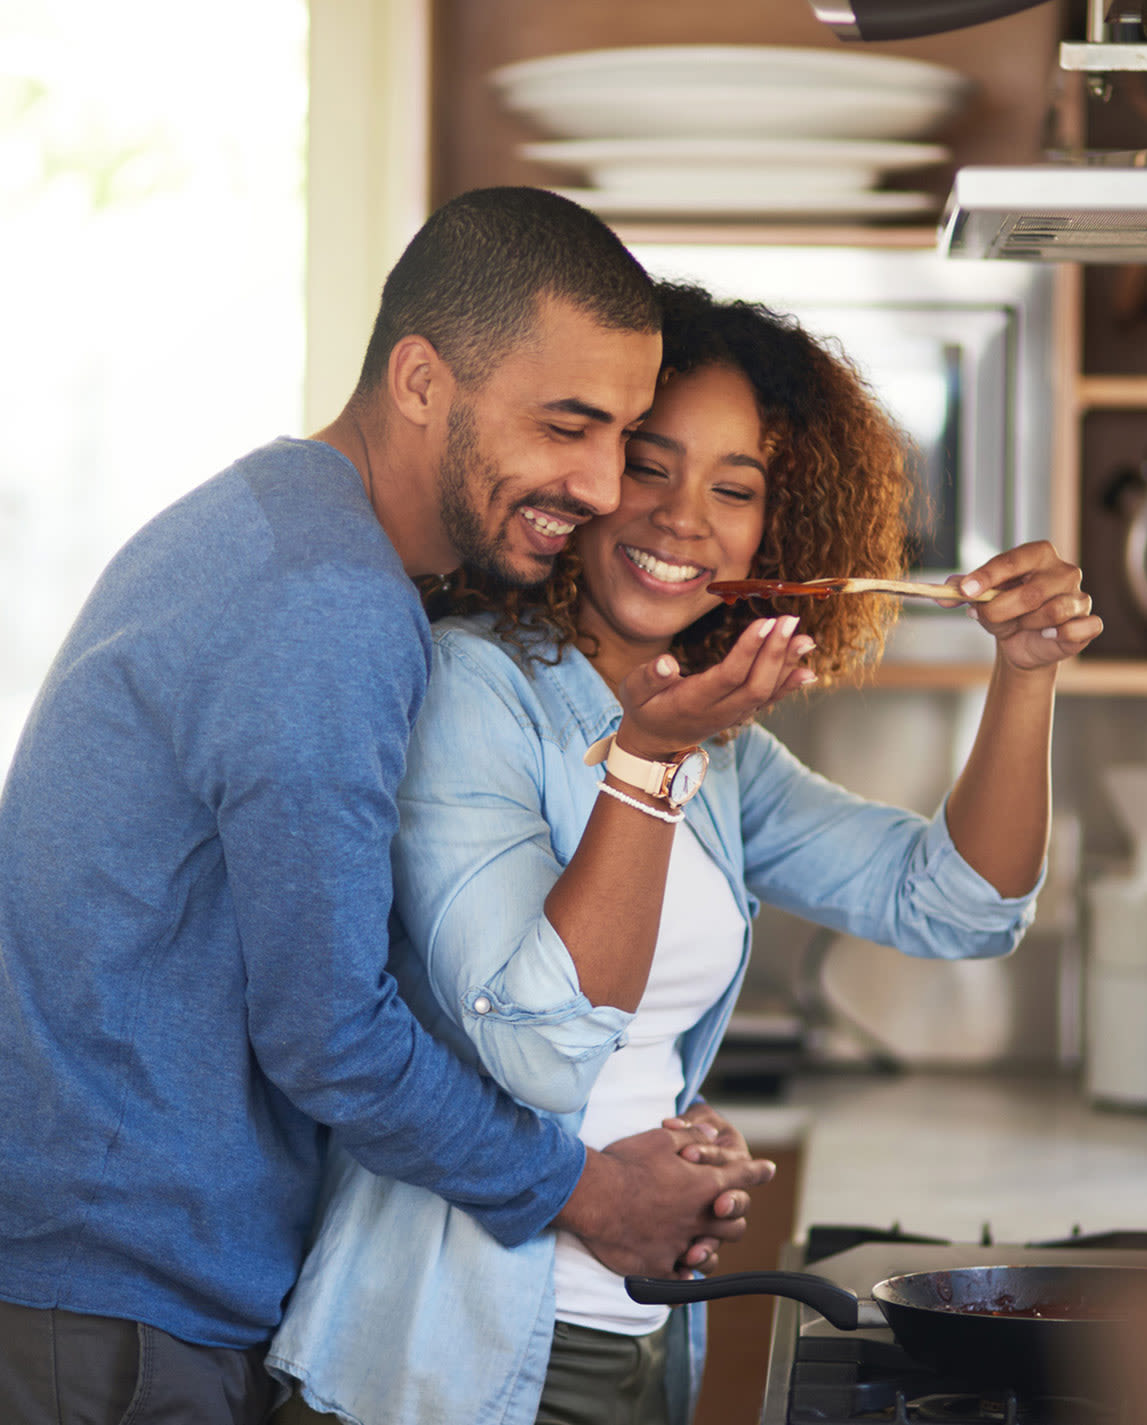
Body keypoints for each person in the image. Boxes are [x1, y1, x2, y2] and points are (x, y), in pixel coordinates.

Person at [266, 279, 1103, 1425]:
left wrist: (1027, 671)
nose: (682, 519)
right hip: (453, 1358)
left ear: (778, 529)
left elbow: (958, 906)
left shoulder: (715, 745)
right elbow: (542, 1050)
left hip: (644, 1341)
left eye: (736, 488)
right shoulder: (479, 688)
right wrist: (649, 765)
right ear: (588, 476)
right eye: (650, 464)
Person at [0, 191, 777, 1425]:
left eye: (618, 435)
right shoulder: (330, 609)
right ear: (420, 380)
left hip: (111, 1281)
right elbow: (331, 1037)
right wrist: (584, 1190)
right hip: (122, 1317)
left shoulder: (280, 526)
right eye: (566, 426)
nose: (595, 484)